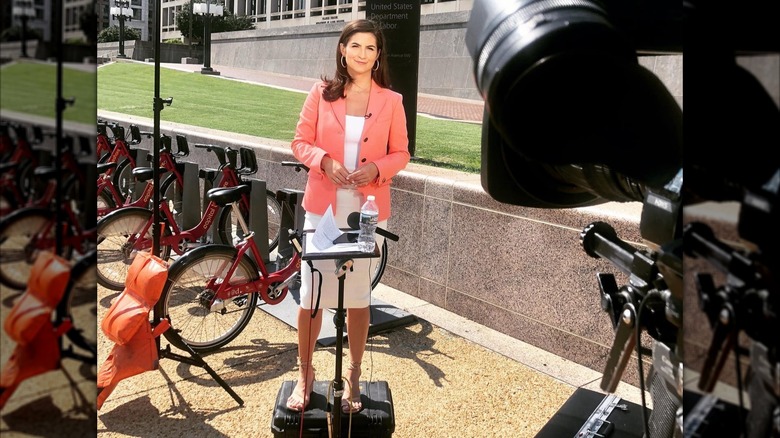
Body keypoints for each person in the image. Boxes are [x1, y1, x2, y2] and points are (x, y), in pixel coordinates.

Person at [287, 18, 410, 413]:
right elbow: (299, 142)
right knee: (312, 295)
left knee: (358, 297)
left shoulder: (391, 101)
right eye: (355, 45)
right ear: (343, 49)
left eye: (370, 48)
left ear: (378, 56)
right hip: (322, 209)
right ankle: (305, 374)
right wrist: (324, 161)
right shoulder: (320, 93)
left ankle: (354, 375)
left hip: (367, 211)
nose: (362, 54)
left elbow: (402, 153)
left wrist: (377, 168)